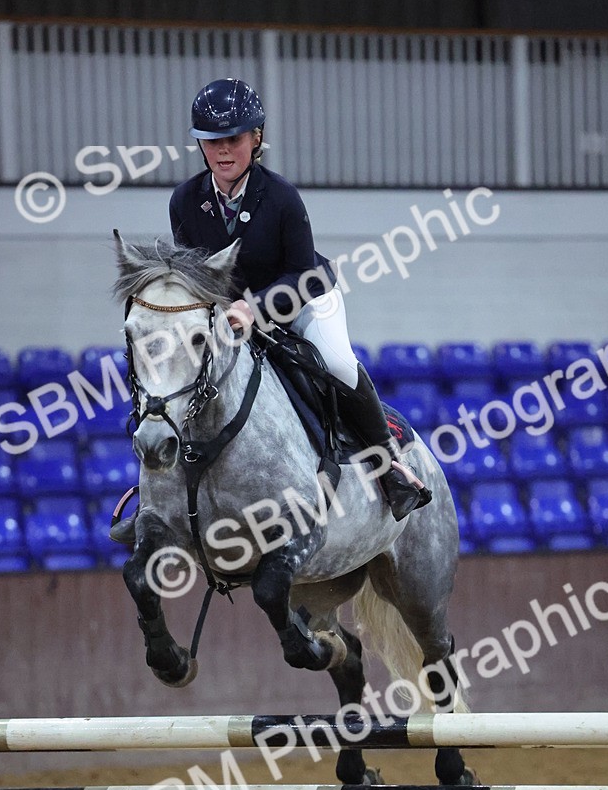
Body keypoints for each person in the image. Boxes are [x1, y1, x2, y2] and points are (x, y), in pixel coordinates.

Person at [112, 78, 429, 544]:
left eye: (234, 139)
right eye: (213, 141)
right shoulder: (184, 200)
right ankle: (155, 504)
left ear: (255, 139)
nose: (223, 151)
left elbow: (304, 273)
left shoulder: (281, 197)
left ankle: (391, 468)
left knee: (338, 362)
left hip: (300, 299)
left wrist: (255, 309)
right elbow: (195, 275)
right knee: (173, 378)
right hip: (227, 314)